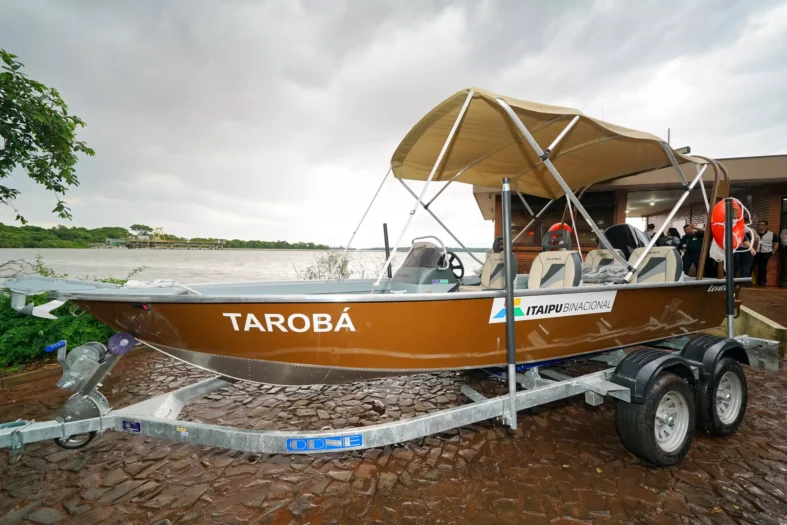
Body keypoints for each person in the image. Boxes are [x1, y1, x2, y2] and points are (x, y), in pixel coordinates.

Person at [754, 220, 777, 286]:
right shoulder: (754, 233)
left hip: (766, 252)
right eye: (759, 224)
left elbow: (776, 243)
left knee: (763, 268)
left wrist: (773, 252)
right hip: (755, 252)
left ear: (766, 226)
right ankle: (748, 282)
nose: (760, 226)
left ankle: (762, 282)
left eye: (762, 224)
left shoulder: (772, 234)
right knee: (751, 267)